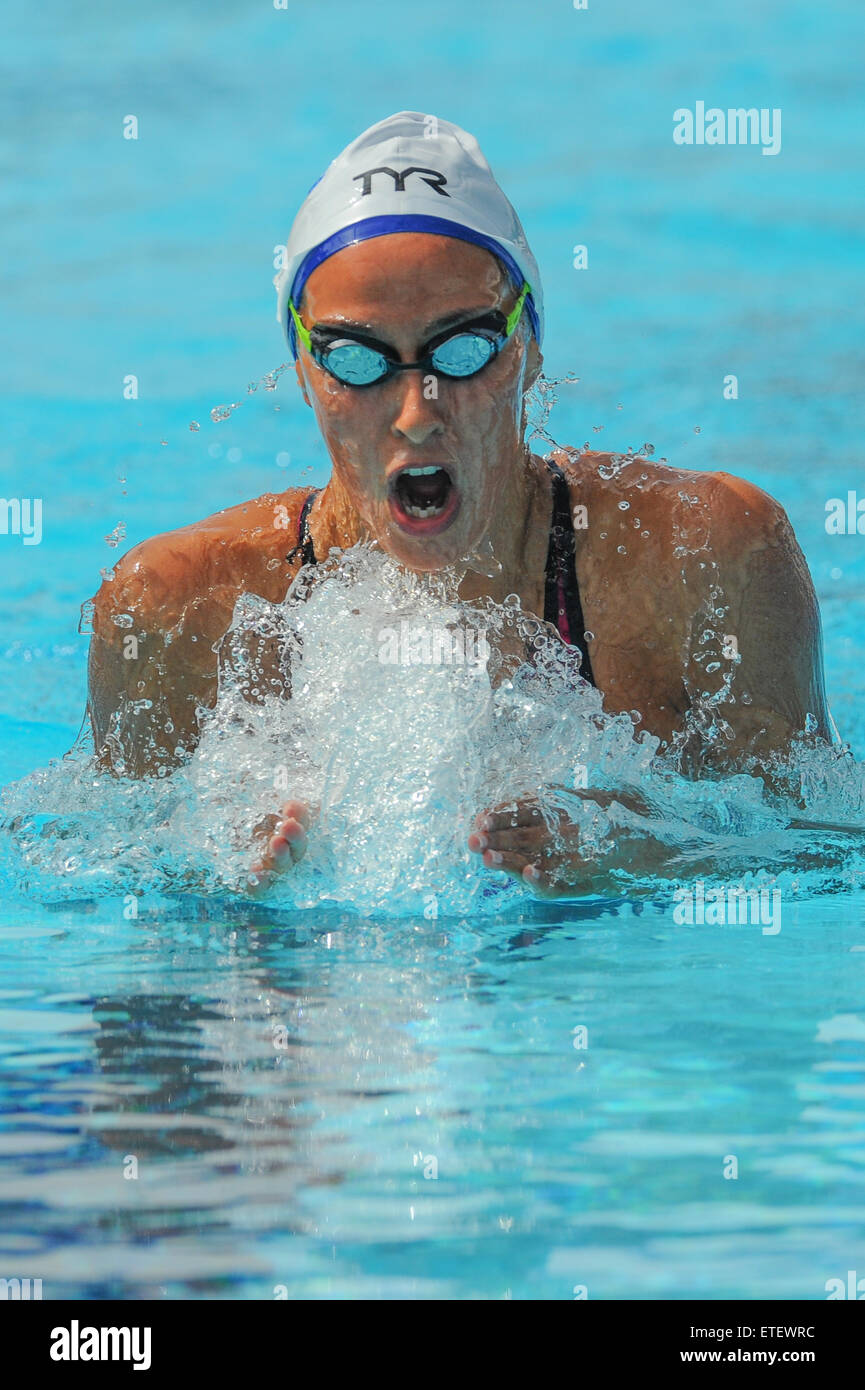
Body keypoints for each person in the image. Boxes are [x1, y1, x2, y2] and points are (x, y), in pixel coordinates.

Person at [86, 112, 832, 897]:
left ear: (530, 348)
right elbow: (96, 892)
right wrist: (201, 869)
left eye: (464, 348)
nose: (415, 411)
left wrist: (643, 847)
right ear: (303, 371)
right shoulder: (173, 605)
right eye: (355, 359)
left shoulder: (702, 556)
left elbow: (825, 852)